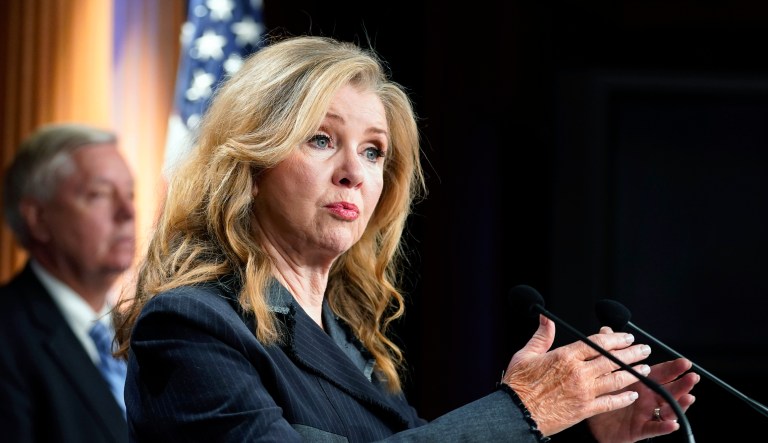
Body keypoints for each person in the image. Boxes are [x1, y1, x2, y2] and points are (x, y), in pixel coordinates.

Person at [115, 35, 699, 442]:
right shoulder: (190, 325)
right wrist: (525, 409)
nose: (354, 172)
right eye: (321, 139)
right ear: (252, 161)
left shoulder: (350, 343)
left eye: (373, 151)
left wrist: (578, 426)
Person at [0, 123, 135, 443]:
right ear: (38, 218)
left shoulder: (143, 332)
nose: (127, 212)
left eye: (130, 194)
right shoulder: (7, 337)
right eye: (99, 194)